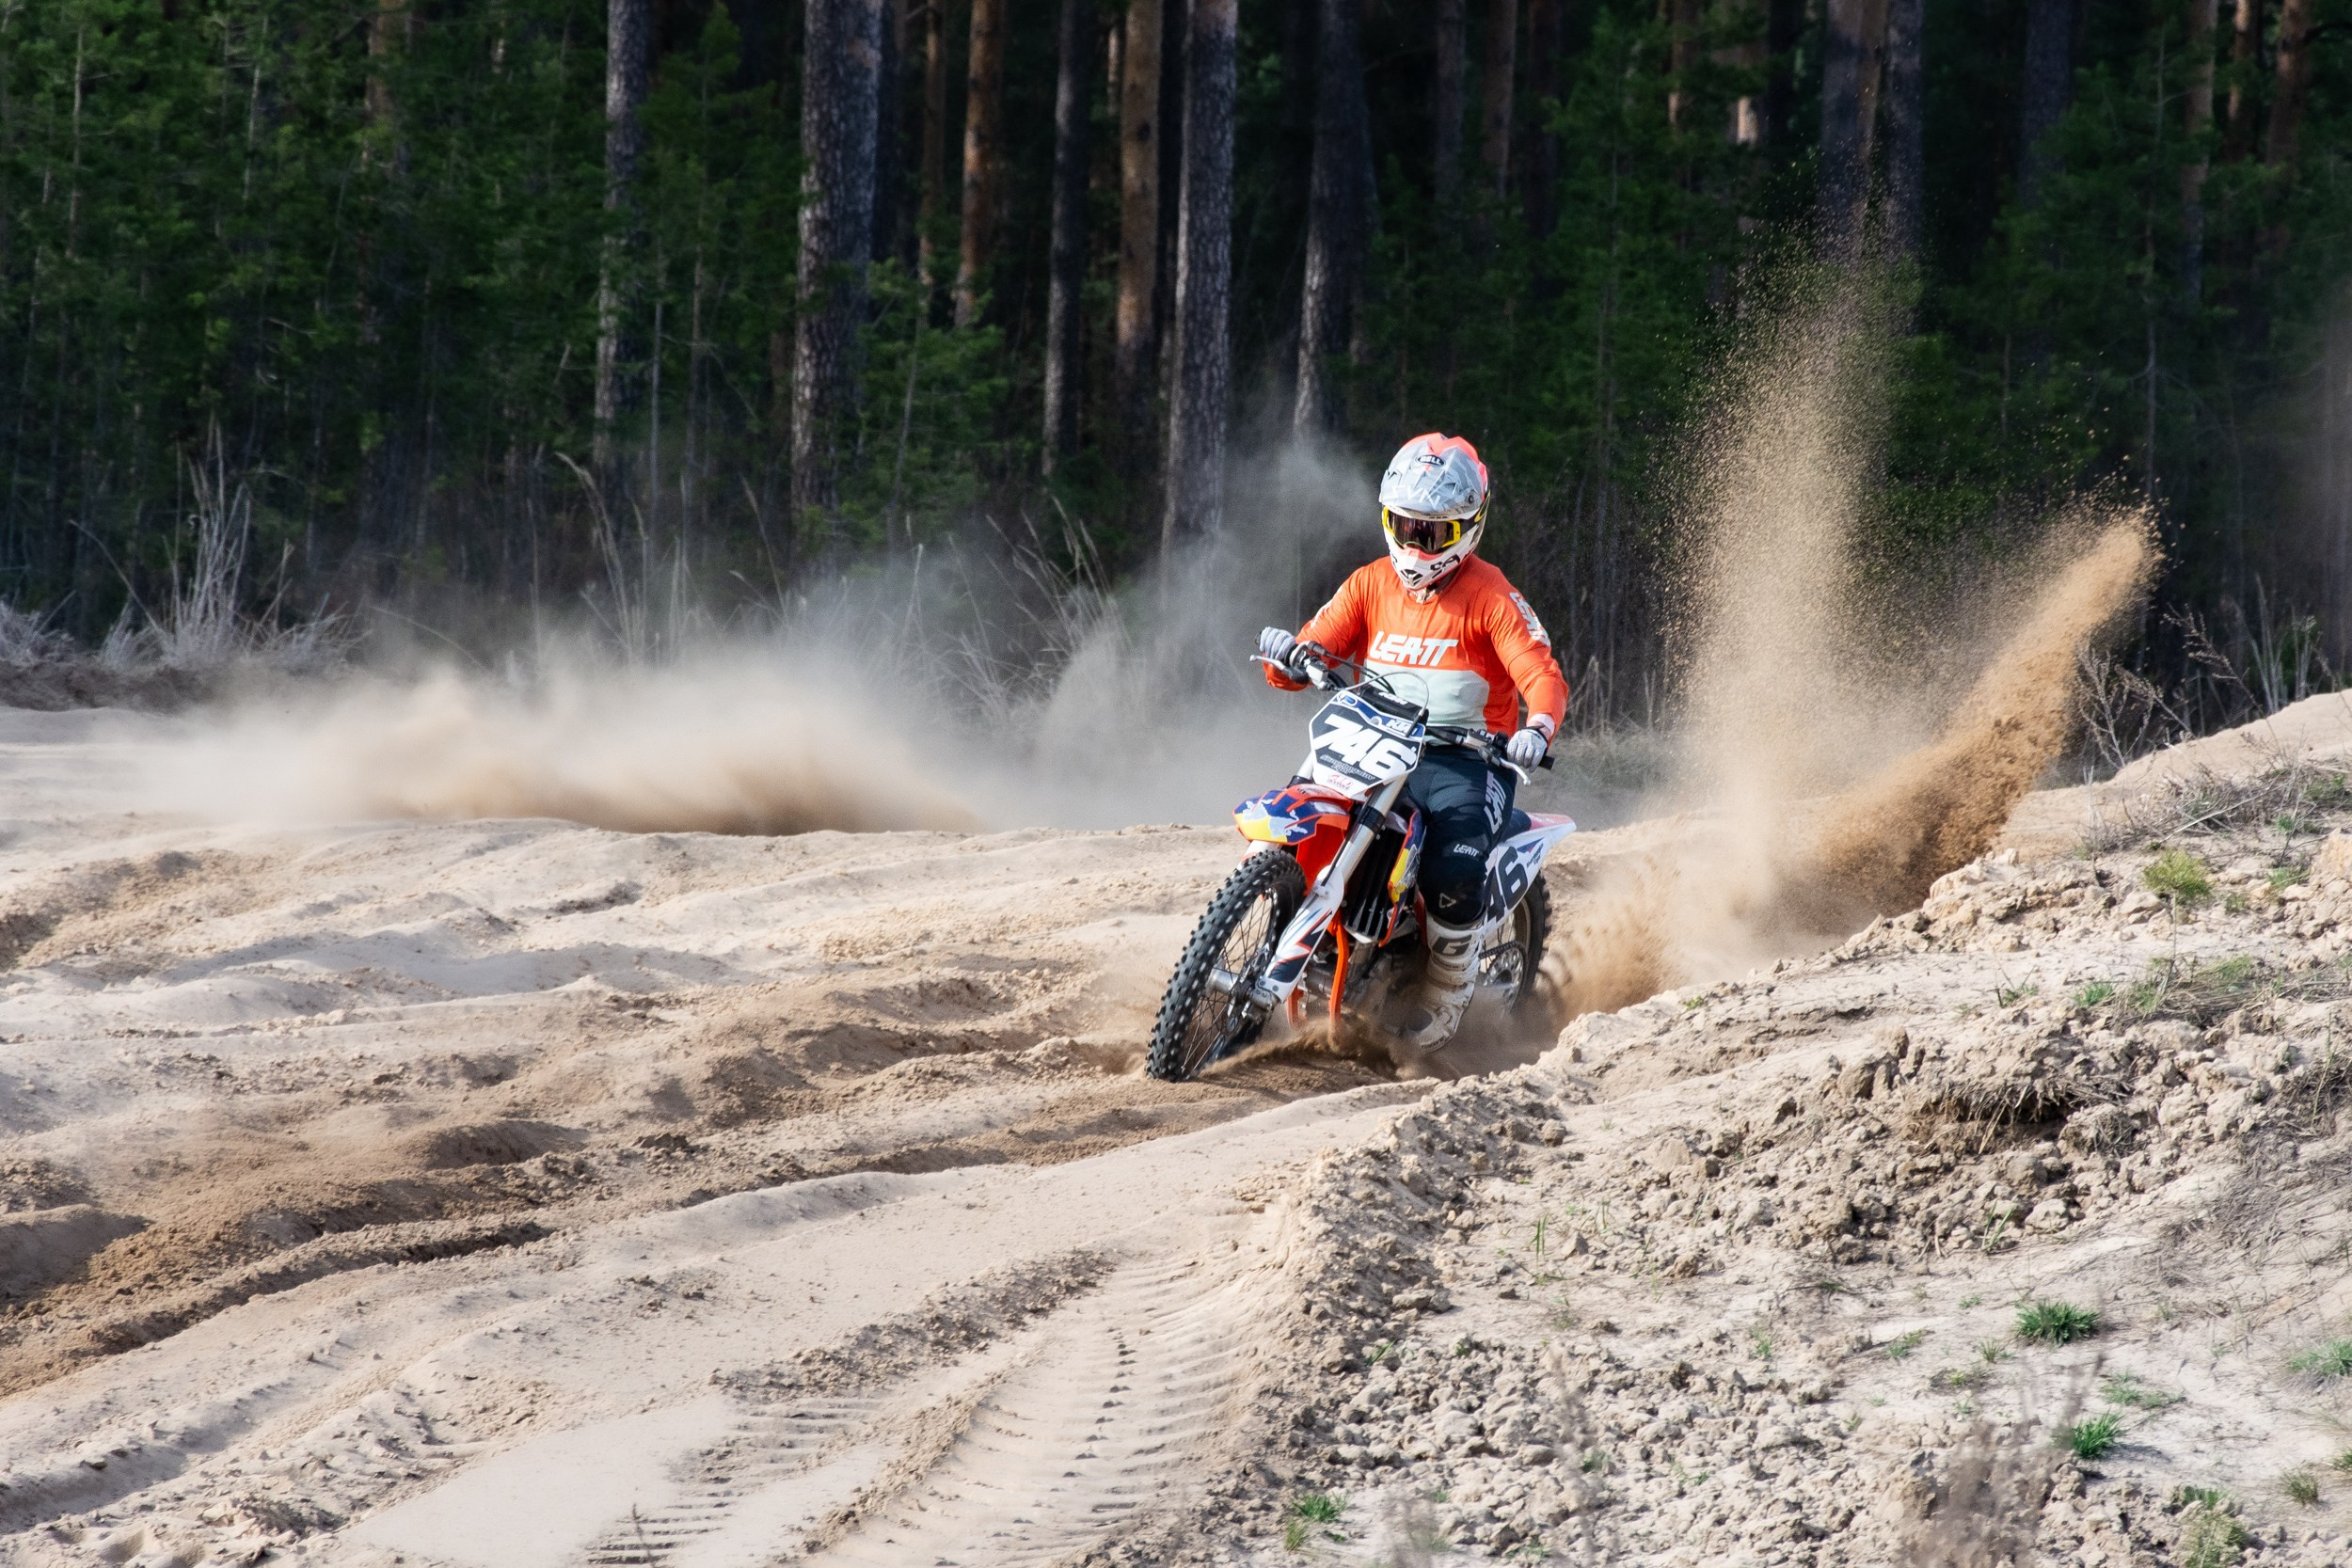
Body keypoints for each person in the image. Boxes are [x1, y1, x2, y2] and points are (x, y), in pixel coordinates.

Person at [1257, 433, 1569, 1048]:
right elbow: (1314, 644)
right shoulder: (1372, 583)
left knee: (1454, 866)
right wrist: (1288, 659)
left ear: (1468, 529)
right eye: (1403, 526)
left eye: (1433, 533)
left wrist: (1537, 728)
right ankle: (1277, 944)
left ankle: (1447, 989)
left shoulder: (1493, 597)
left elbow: (1541, 674)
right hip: (1372, 738)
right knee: (1299, 820)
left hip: (1467, 758)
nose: (1414, 545)